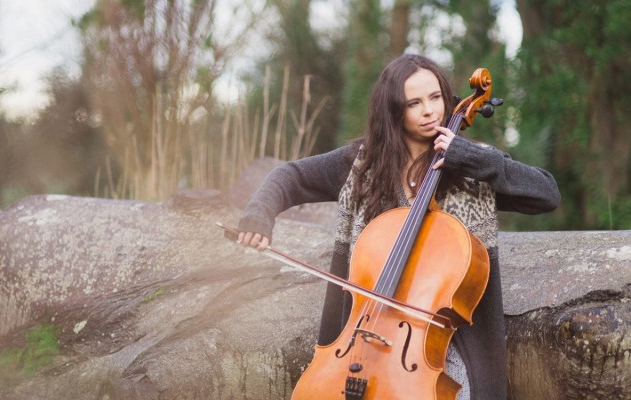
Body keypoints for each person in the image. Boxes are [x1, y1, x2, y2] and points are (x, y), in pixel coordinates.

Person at [235, 54, 560, 399]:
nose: (430, 111)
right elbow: (290, 176)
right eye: (414, 103)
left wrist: (470, 157)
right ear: (393, 111)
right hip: (361, 344)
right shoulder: (361, 164)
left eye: (435, 98)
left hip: (447, 353)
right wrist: (259, 213)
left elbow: (546, 194)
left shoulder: (472, 166)